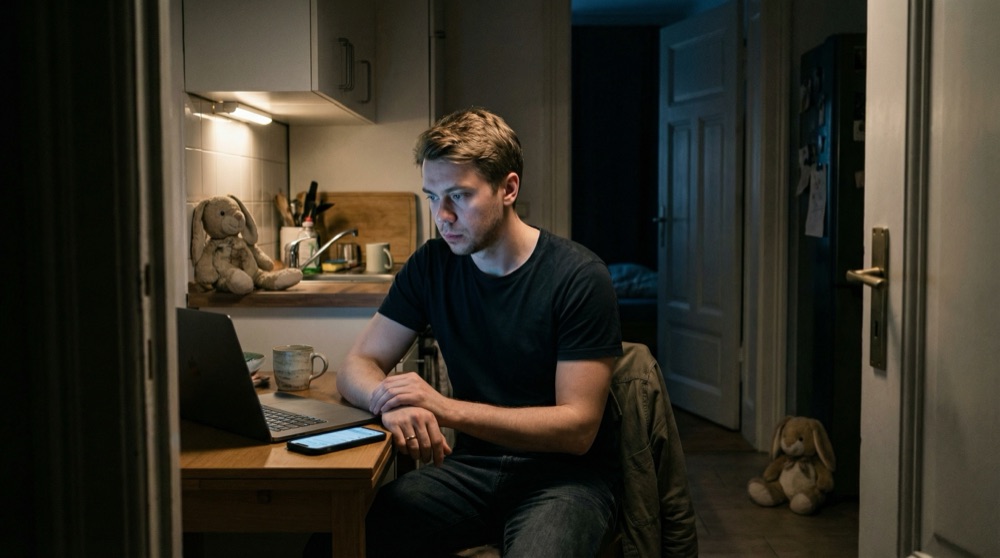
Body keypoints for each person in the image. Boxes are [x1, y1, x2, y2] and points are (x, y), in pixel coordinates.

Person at [336, 107, 623, 557]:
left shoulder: (578, 276)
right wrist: (385, 401)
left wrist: (443, 408)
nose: (442, 215)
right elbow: (358, 363)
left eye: (459, 195)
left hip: (565, 480)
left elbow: (578, 428)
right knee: (342, 541)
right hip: (471, 471)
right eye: (432, 196)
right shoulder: (432, 266)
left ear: (508, 188)